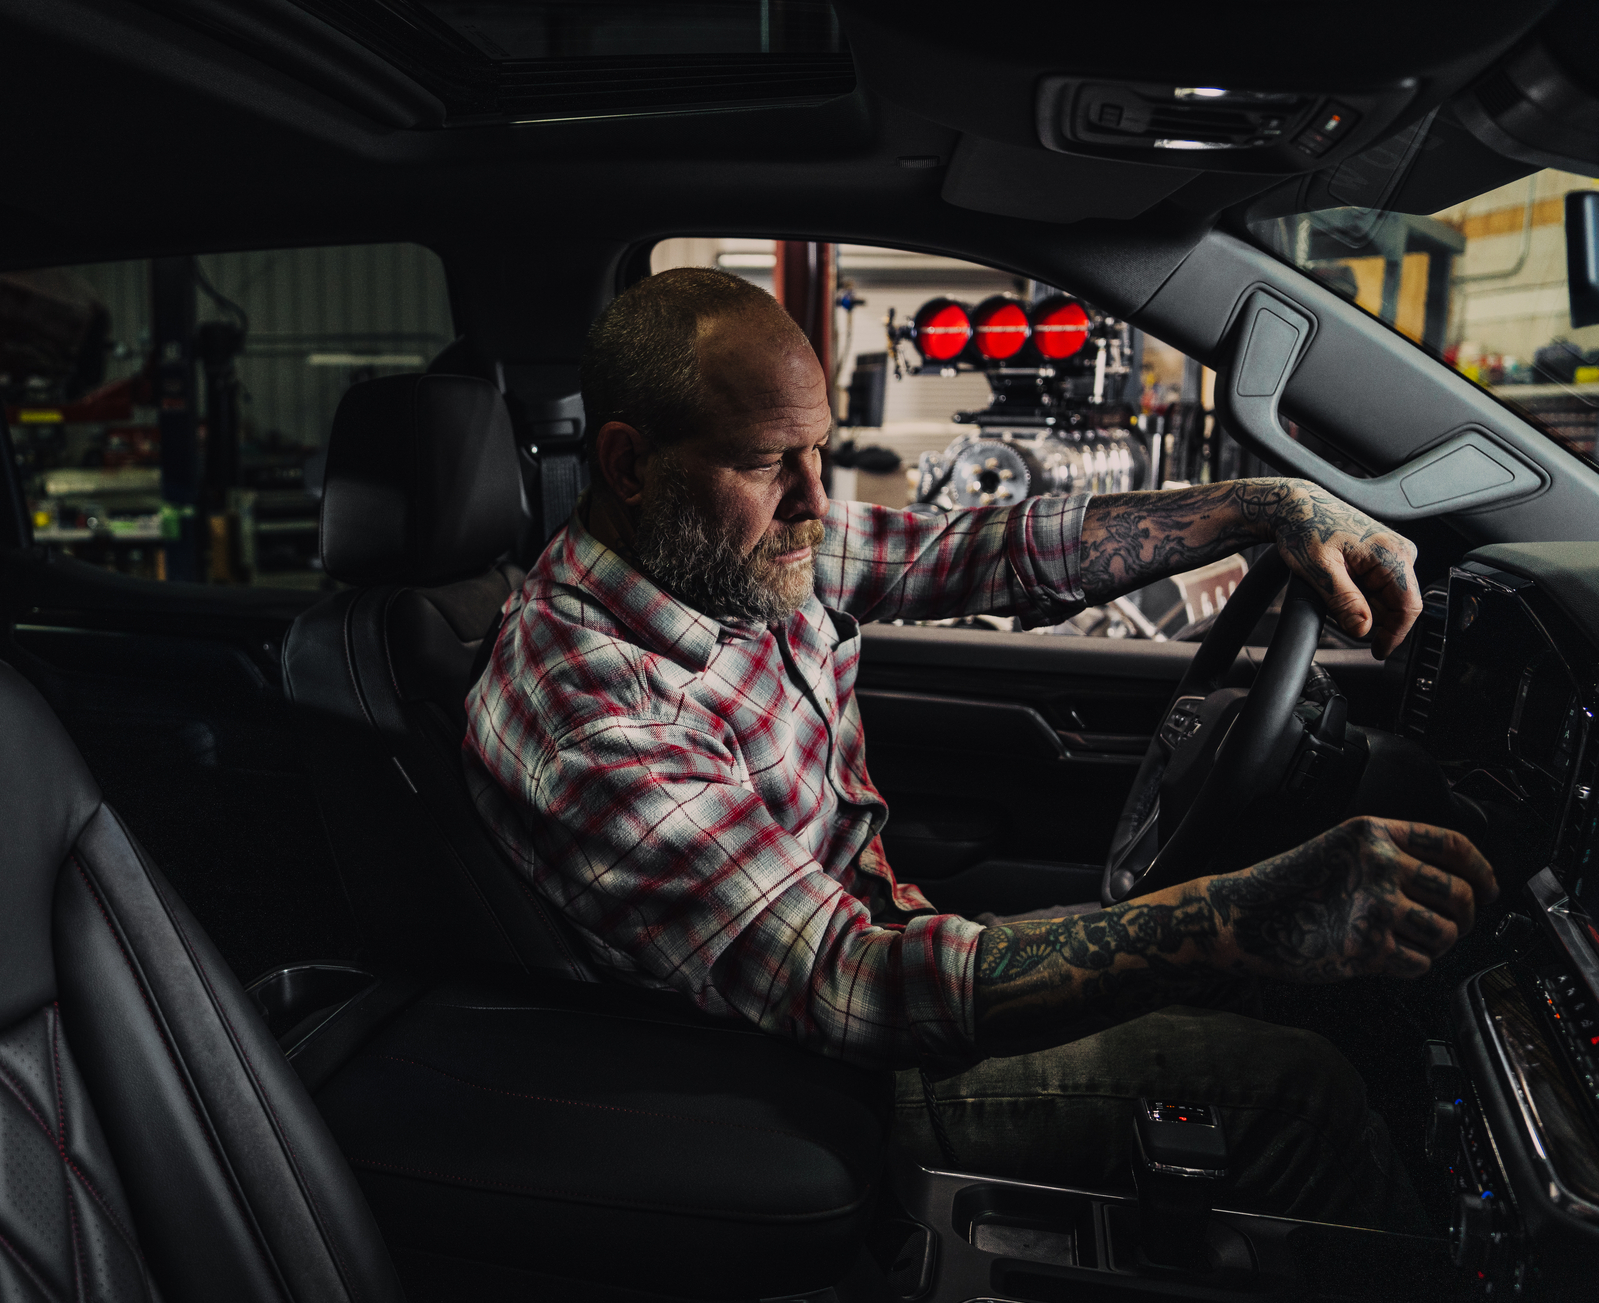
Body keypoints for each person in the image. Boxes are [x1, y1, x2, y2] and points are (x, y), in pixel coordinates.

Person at [462, 268, 1498, 1228]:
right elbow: (850, 981)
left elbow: (981, 550)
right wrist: (1237, 914)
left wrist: (1263, 505)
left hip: (875, 947)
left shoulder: (720, 550)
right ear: (630, 464)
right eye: (771, 461)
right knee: (1303, 1091)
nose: (816, 501)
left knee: (1291, 987)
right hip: (811, 1071)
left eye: (818, 451)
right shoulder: (590, 705)